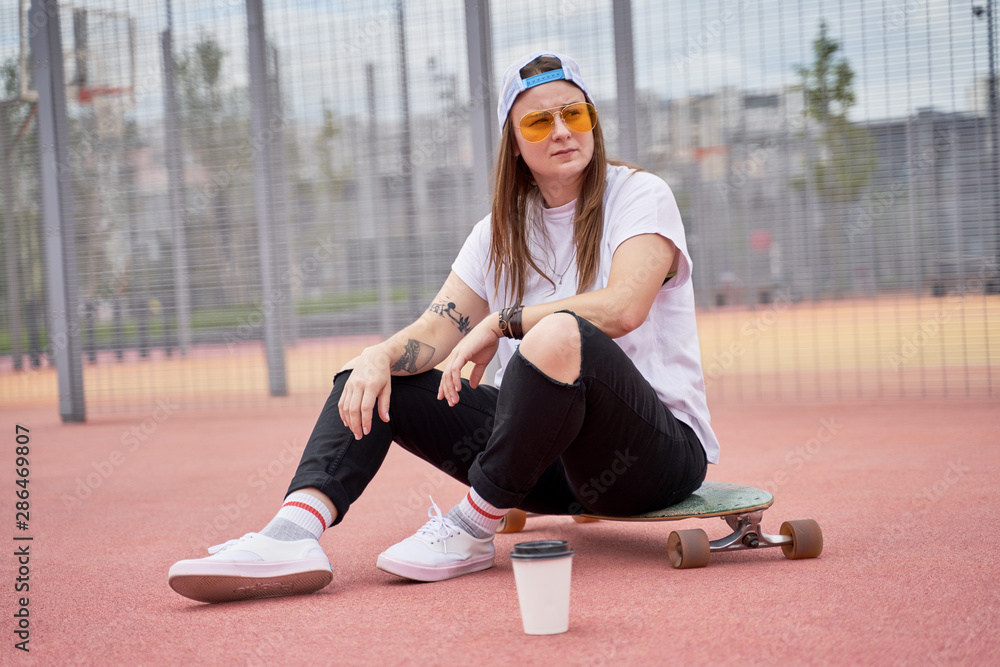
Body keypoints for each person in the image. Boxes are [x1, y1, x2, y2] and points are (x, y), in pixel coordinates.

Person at [168, 51, 720, 603]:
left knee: (557, 334)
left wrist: (503, 323)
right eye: (538, 121)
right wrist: (379, 355)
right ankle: (293, 533)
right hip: (545, 468)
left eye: (574, 114)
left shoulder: (640, 196)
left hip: (650, 458)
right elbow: (435, 331)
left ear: (592, 121)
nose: (561, 131)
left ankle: (473, 528)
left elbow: (624, 307)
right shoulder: (498, 232)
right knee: (370, 373)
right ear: (514, 142)